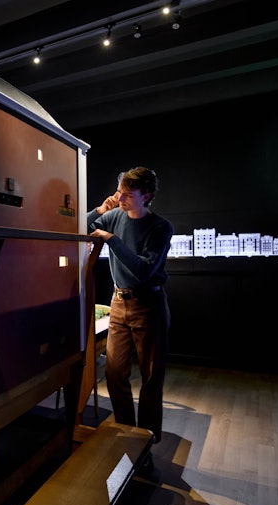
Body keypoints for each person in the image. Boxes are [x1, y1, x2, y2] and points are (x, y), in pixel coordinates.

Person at [87, 166, 173, 470]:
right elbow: (78, 227)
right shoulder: (114, 215)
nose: (120, 197)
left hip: (149, 304)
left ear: (145, 196)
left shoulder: (160, 227)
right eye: (119, 191)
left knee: (151, 378)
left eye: (127, 193)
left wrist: (111, 239)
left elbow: (144, 269)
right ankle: (127, 436)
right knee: (114, 373)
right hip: (119, 303)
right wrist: (100, 210)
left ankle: (145, 444)